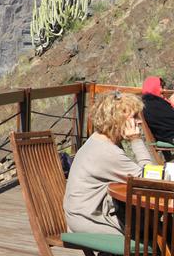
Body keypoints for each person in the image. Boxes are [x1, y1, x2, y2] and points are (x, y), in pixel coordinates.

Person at [63, 91, 152, 235]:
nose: (139, 121)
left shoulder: (98, 140)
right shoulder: (106, 151)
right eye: (134, 117)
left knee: (157, 227)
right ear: (117, 119)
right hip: (91, 222)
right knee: (158, 233)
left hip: (84, 216)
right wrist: (136, 140)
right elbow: (150, 179)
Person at [141, 75, 174, 144]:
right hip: (170, 137)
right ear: (154, 87)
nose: (164, 90)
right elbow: (170, 120)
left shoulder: (149, 103)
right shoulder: (156, 104)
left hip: (166, 137)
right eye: (161, 87)